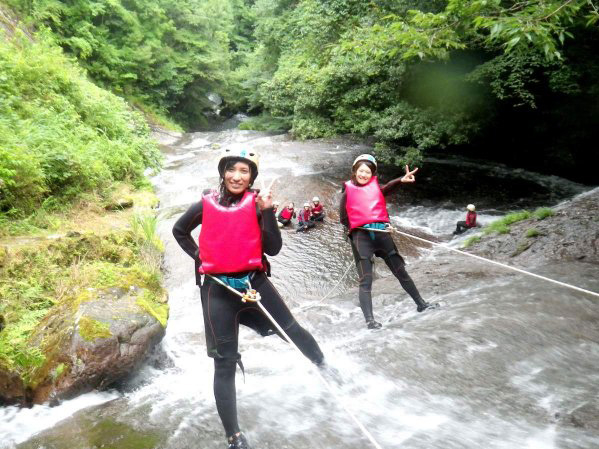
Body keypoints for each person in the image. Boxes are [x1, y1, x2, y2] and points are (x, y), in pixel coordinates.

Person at [172, 148, 326, 449]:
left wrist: (267, 211)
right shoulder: (204, 204)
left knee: (291, 331)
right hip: (217, 290)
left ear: (252, 177)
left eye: (244, 171)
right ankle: (234, 436)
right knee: (224, 362)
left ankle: (325, 367)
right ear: (222, 173)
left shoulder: (257, 205)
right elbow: (179, 231)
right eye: (231, 169)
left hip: (253, 284)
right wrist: (199, 256)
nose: (236, 176)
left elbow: (273, 249)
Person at [339, 154, 439, 329]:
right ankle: (370, 321)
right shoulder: (348, 191)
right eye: (361, 171)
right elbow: (343, 218)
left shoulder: (376, 188)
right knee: (366, 280)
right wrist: (355, 231)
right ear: (355, 171)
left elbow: (387, 188)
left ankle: (421, 304)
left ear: (372, 174)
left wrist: (401, 180)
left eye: (367, 172)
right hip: (362, 237)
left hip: (382, 235)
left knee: (401, 272)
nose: (364, 175)